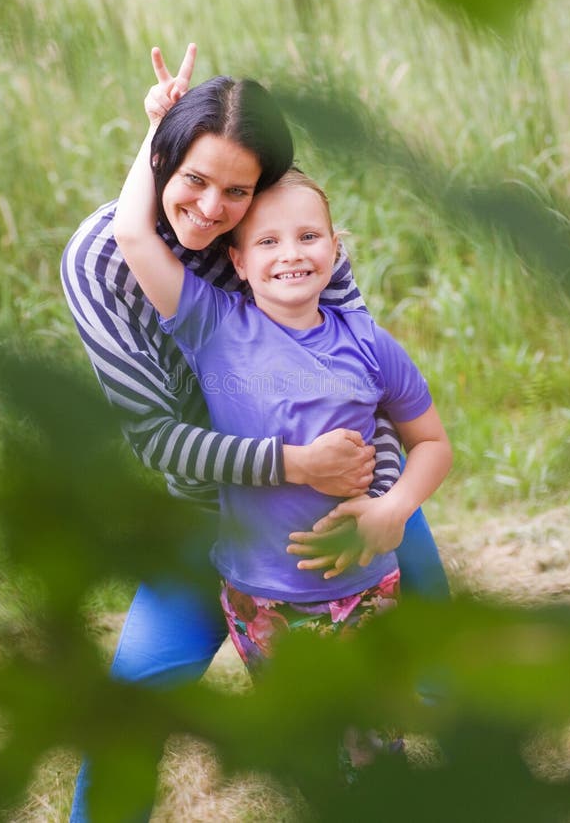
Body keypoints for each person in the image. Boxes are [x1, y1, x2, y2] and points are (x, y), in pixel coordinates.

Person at [61, 44, 450, 820]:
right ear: (162, 161)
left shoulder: (282, 227)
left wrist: (386, 503)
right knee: (134, 704)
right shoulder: (105, 266)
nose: (211, 208)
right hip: (213, 514)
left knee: (421, 684)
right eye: (194, 181)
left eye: (236, 191)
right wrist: (294, 464)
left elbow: (365, 374)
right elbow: (159, 440)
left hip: (344, 501)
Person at [114, 162, 452, 766]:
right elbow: (133, 235)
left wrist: (394, 507)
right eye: (267, 241)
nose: (290, 254)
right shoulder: (213, 325)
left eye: (308, 236)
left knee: (374, 750)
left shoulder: (369, 343)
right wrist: (156, 132)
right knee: (309, 757)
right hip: (257, 600)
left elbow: (431, 443)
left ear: (334, 248)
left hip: (366, 591)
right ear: (237, 262)